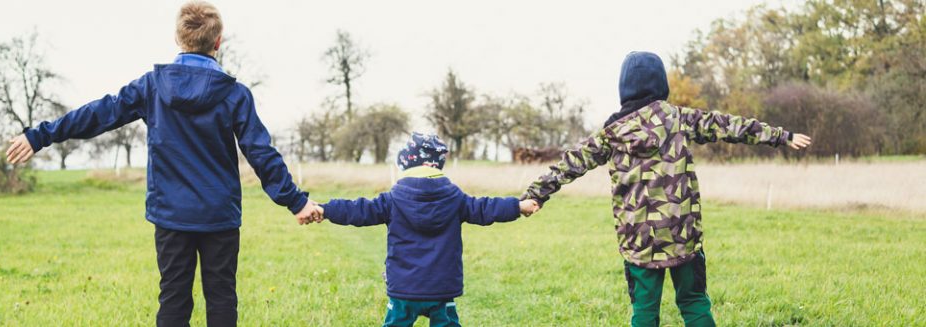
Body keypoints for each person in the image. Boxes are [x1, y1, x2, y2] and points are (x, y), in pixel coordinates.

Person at [3, 2, 322, 326]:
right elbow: (261, 153)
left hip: (172, 215)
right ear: (218, 41)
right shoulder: (234, 94)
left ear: (177, 38)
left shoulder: (153, 86)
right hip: (218, 216)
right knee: (222, 296)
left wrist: (40, 136)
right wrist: (295, 201)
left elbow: (99, 114)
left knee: (173, 298)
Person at [520, 51, 812, 327]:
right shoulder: (679, 118)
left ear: (625, 89)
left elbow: (570, 163)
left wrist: (536, 194)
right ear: (661, 85)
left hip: (638, 239)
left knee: (644, 311)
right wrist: (781, 136)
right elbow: (727, 125)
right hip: (682, 234)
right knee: (694, 301)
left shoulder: (611, 134)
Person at [314, 132, 539, 327]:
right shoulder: (455, 199)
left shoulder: (392, 199)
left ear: (406, 165)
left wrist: (326, 209)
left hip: (404, 288)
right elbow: (485, 208)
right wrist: (517, 206)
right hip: (441, 288)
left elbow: (358, 210)